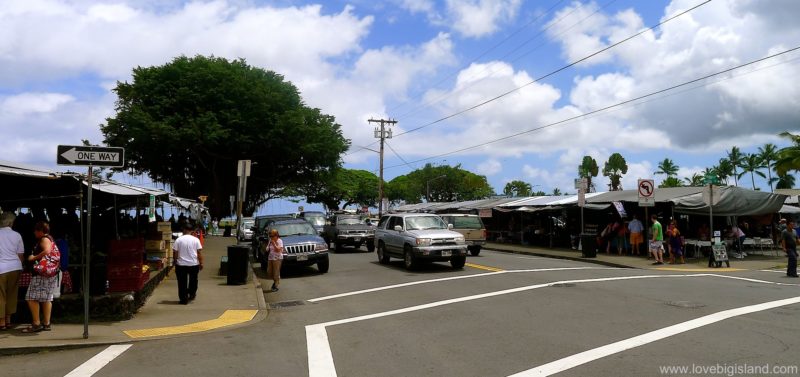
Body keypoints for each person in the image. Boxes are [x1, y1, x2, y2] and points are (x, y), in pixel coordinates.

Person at [22, 221, 60, 333]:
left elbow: (47, 251)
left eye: (36, 230)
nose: (34, 232)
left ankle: (36, 323)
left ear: (40, 231)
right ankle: (46, 323)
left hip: (41, 274)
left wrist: (33, 258)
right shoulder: (51, 238)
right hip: (50, 273)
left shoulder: (44, 239)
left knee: (31, 298)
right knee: (47, 298)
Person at [0, 212, 24, 330]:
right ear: (11, 222)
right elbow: (20, 255)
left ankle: (2, 322)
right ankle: (8, 320)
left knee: (1, 295)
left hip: (1, 268)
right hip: (15, 267)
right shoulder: (17, 235)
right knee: (11, 294)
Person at [172, 223, 204, 305]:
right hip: (193, 264)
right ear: (191, 231)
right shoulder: (195, 240)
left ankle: (183, 299)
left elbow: (175, 252)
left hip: (181, 264)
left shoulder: (178, 240)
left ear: (184, 230)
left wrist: (175, 261)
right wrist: (201, 263)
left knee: (182, 282)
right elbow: (199, 253)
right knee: (193, 280)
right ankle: (192, 294)